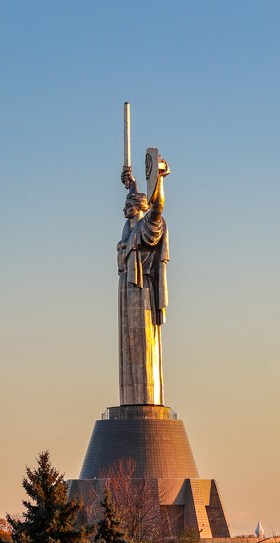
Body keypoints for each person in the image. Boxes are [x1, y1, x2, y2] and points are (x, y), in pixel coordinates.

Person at [117, 161, 169, 406]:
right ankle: (131, 402)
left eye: (129, 204)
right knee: (128, 348)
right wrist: (132, 183)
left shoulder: (147, 226)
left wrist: (159, 179)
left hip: (142, 293)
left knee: (142, 347)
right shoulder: (129, 227)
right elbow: (135, 199)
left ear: (139, 207)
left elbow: (157, 206)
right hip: (127, 291)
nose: (124, 207)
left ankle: (145, 402)